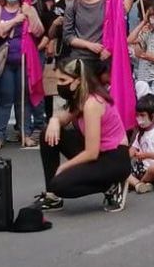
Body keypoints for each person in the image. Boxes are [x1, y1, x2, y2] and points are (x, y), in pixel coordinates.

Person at [38, 57, 131, 213]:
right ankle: (52, 197)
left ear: (77, 81)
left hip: (114, 158)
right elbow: (64, 117)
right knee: (47, 132)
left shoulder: (92, 103)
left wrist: (64, 166)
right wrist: (54, 120)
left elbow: (91, 153)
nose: (59, 84)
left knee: (59, 184)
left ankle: (112, 184)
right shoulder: (80, 98)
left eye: (63, 80)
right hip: (98, 153)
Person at [0, 0, 43, 150]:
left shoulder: (27, 8)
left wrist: (29, 14)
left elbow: (38, 31)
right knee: (5, 98)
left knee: (24, 100)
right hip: (5, 62)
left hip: (24, 60)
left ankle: (25, 133)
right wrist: (14, 20)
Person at [60, 0, 107, 70]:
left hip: (104, 58)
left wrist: (108, 49)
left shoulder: (107, 3)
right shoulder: (72, 5)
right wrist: (88, 45)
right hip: (80, 59)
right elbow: (67, 36)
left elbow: (115, 31)